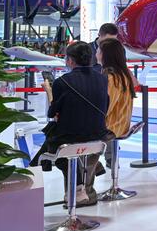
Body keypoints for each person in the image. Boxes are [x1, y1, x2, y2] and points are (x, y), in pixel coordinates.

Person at [33, 41, 110, 206]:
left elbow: (52, 113)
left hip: (71, 139)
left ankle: (75, 186)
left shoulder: (62, 82)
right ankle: (86, 177)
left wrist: (49, 91)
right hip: (98, 135)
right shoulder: (103, 79)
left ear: (69, 60)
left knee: (52, 144)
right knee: (53, 141)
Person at [97, 38, 137, 167]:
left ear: (105, 55)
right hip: (121, 123)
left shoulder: (112, 78)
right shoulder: (123, 74)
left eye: (98, 50)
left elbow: (106, 106)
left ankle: (88, 169)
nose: (96, 53)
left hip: (113, 126)